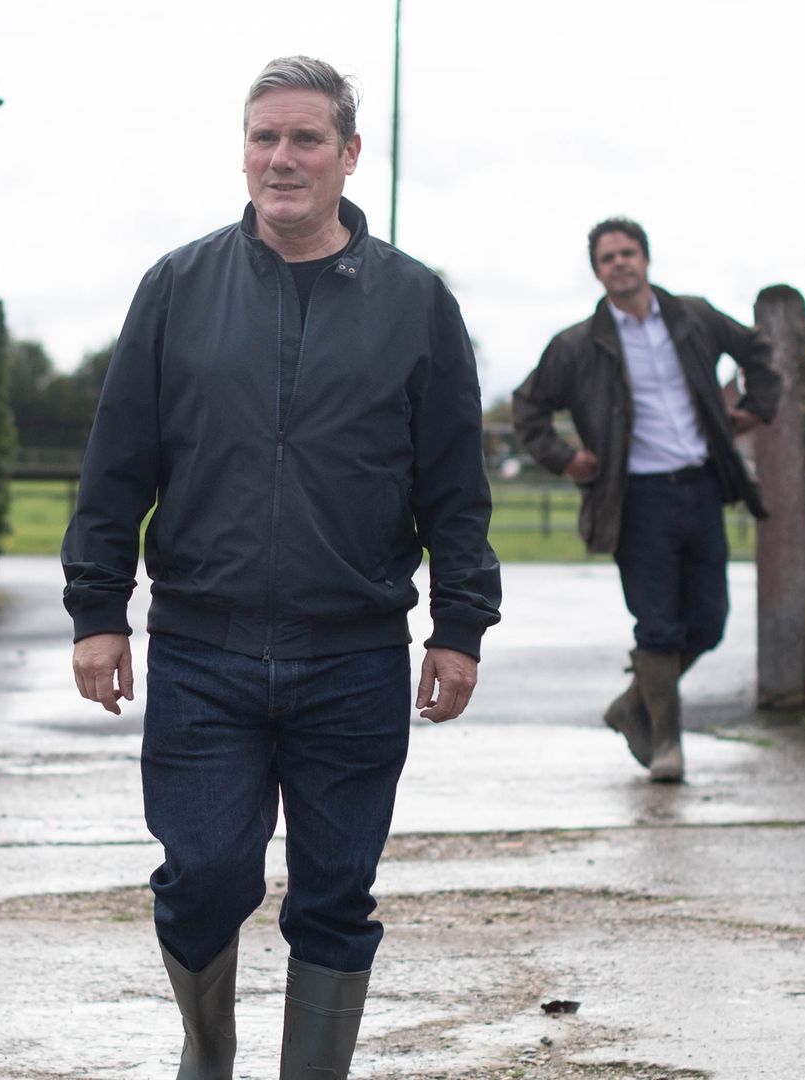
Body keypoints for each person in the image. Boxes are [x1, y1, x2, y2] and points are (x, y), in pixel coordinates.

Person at [61, 56, 501, 1080]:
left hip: (351, 656)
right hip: (203, 653)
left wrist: (459, 626)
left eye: (306, 139)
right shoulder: (176, 288)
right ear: (244, 150)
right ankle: (207, 1049)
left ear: (349, 155)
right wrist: (97, 611)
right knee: (206, 873)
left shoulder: (415, 302)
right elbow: (117, 464)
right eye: (266, 137)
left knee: (337, 890)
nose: (283, 158)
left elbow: (454, 486)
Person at [511, 218, 778, 782]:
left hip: (701, 486)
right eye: (608, 258)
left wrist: (755, 408)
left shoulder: (694, 317)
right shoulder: (578, 344)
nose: (620, 264)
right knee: (657, 626)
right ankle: (666, 744)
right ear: (597, 271)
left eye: (628, 253)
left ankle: (634, 703)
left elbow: (759, 352)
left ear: (646, 259)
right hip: (636, 499)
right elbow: (528, 408)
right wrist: (567, 458)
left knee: (708, 623)